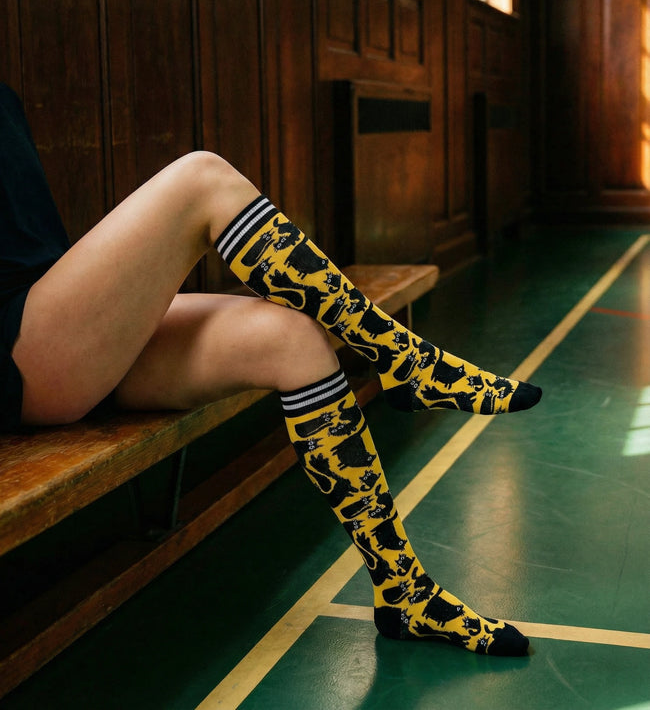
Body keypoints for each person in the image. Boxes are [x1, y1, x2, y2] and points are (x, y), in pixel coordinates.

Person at [0, 82, 541, 656]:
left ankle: (403, 592)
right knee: (201, 177)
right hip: (20, 358)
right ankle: (405, 361)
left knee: (289, 338)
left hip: (52, 322)